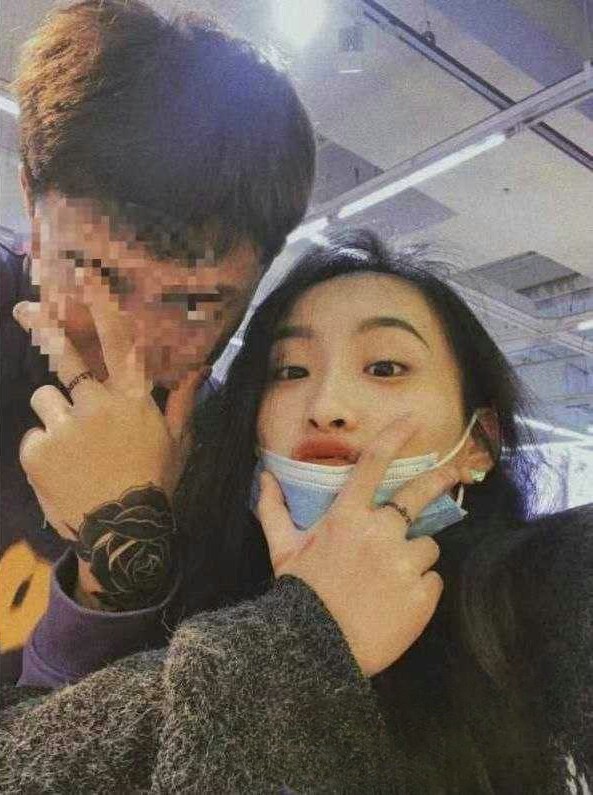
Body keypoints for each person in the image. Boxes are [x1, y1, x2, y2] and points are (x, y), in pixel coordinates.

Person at [9, 230, 592, 792]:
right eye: (290, 371)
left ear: (479, 442)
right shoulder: (194, 592)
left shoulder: (549, 586)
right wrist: (122, 542)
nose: (327, 406)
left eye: (385, 368)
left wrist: (304, 639)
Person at [0, 0, 315, 682]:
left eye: (196, 304)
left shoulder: (251, 475)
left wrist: (114, 558)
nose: (133, 350)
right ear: (30, 202)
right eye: (95, 275)